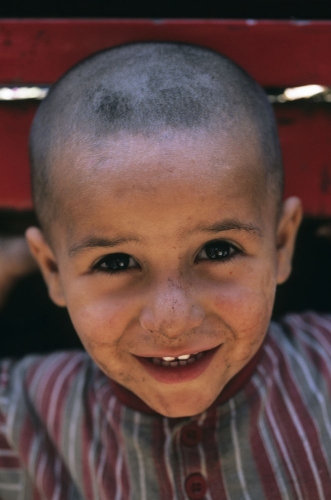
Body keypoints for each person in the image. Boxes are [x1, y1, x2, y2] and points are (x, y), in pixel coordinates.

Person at [0, 41, 329, 499]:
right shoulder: (29, 415)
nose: (173, 318)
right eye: (114, 262)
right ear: (53, 270)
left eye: (217, 251)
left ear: (281, 244)